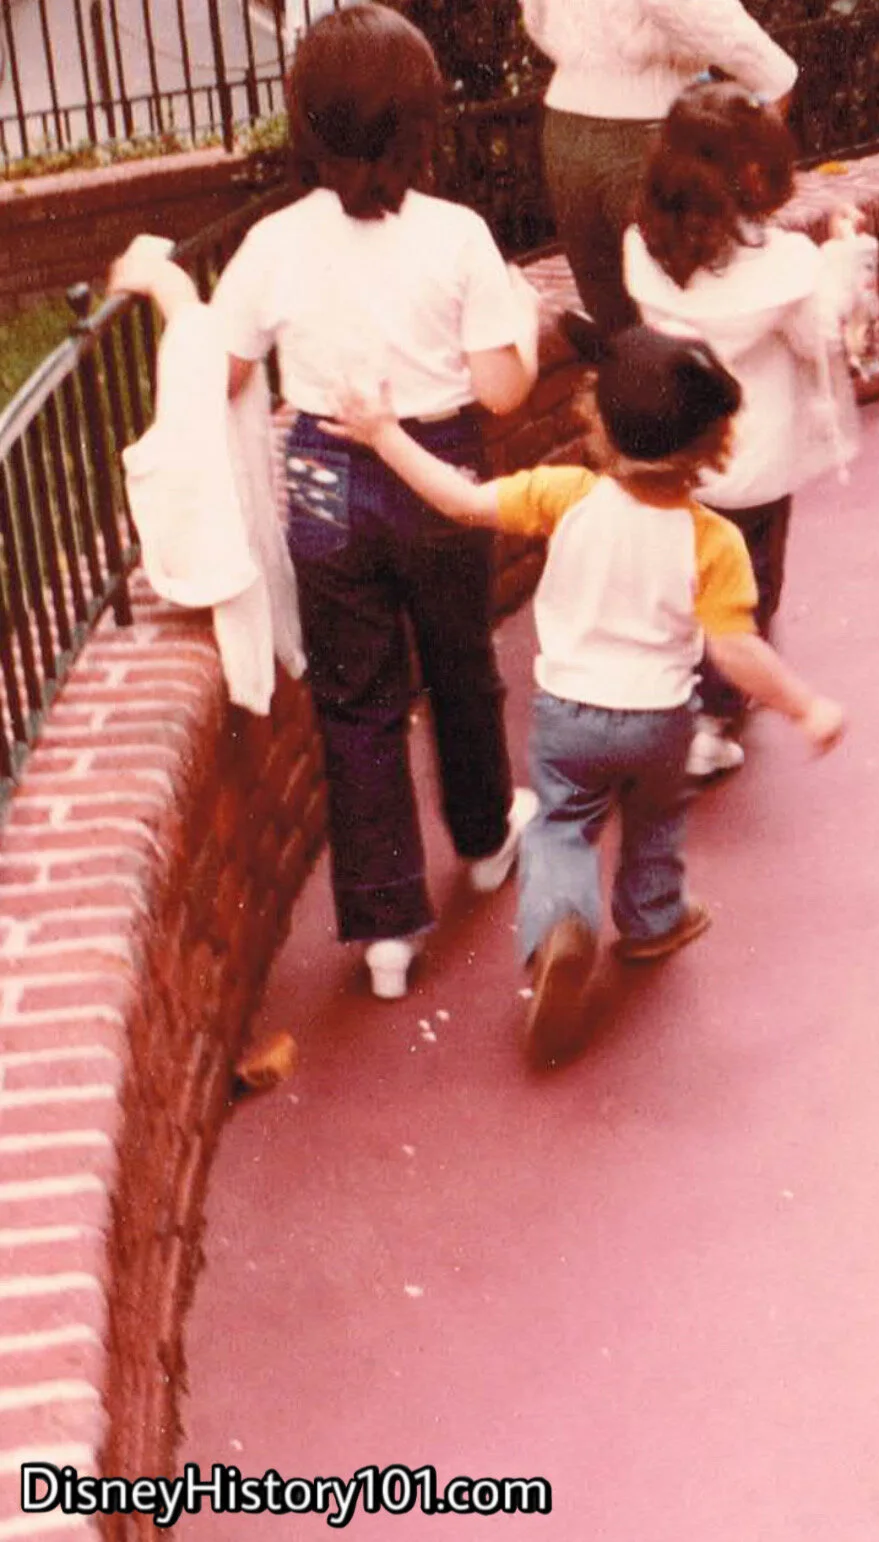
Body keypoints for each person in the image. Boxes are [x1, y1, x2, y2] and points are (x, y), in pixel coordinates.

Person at [116, 5, 541, 1001]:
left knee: (355, 703)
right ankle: (483, 839)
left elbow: (217, 371)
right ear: (423, 121)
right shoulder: (459, 237)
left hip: (322, 480)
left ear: (306, 123)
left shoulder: (273, 243)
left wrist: (169, 291)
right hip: (434, 468)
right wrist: (513, 319)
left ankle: (387, 926)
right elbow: (502, 390)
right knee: (459, 663)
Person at [321, 319, 846, 1067]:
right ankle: (652, 917)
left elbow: (461, 503)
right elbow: (736, 649)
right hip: (660, 721)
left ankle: (562, 930)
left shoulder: (564, 495)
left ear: (598, 421)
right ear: (715, 447)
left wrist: (383, 436)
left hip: (570, 716)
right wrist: (805, 705)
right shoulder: (713, 541)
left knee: (561, 829)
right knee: (656, 821)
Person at [624, 79, 862, 778]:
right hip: (751, 455)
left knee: (686, 575)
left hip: (677, 444)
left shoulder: (646, 248)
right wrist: (843, 258)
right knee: (747, 585)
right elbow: (818, 332)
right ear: (751, 174)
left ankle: (686, 690)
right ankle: (716, 712)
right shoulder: (784, 267)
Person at [520, 0, 798, 334]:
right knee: (697, 322)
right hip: (647, 137)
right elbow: (760, 62)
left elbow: (537, 21)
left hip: (566, 131)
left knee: (620, 330)